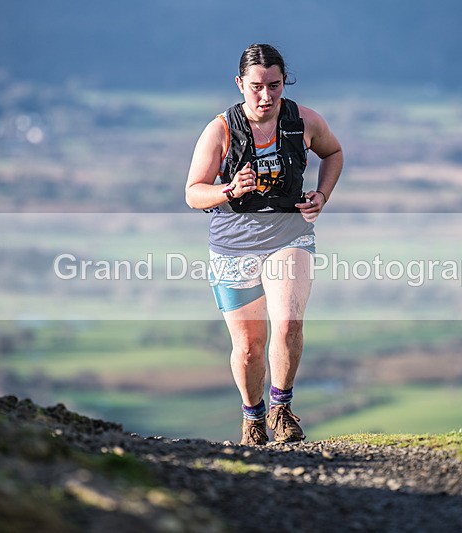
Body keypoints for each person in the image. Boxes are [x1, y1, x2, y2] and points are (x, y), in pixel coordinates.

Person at [185, 44, 343, 445]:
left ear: (283, 82)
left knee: (288, 322)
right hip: (233, 246)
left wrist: (322, 196)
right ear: (240, 84)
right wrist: (227, 189)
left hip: (289, 236)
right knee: (250, 347)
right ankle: (252, 417)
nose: (266, 96)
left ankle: (282, 408)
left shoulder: (303, 120)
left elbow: (334, 152)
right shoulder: (219, 129)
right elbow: (192, 193)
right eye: (257, 86)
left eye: (275, 85)